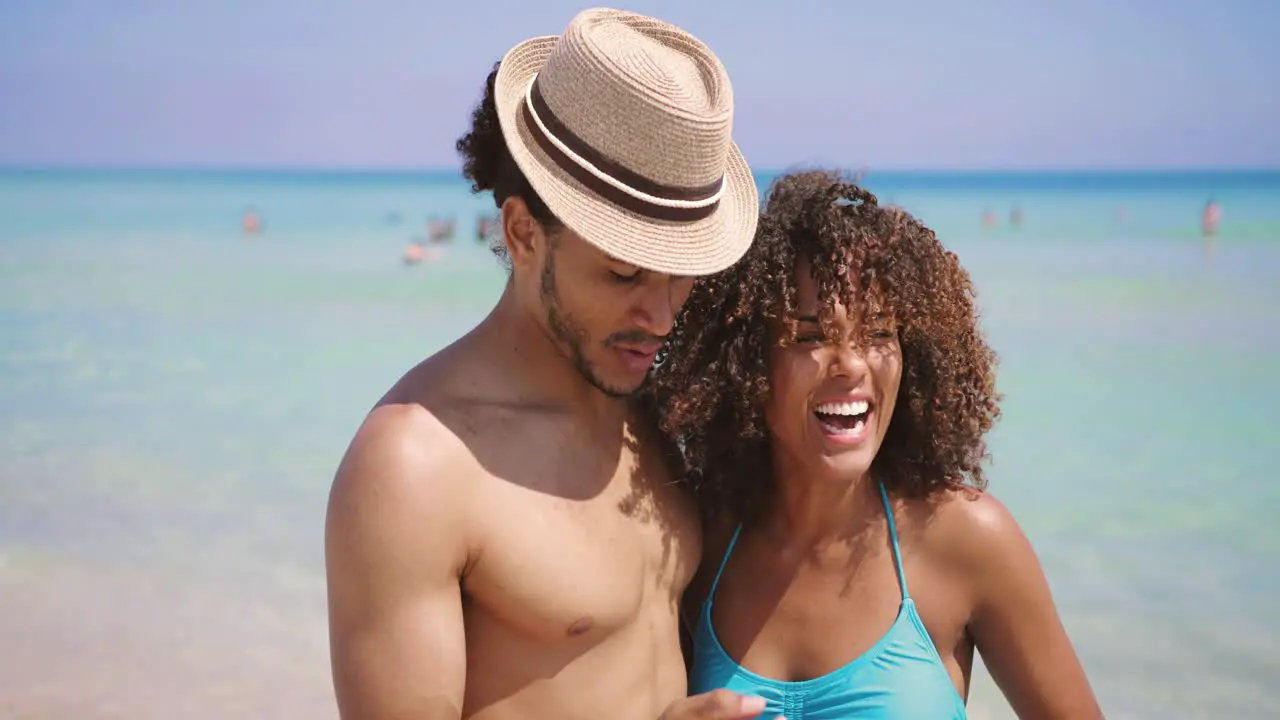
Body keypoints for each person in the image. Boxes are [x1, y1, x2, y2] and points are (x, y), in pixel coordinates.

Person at [324, 8, 767, 720]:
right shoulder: (417, 466)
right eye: (624, 275)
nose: (662, 317)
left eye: (682, 276)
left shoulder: (657, 408)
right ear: (523, 232)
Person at [650, 170, 1103, 719]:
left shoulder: (968, 541)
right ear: (747, 365)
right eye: (811, 336)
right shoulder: (704, 542)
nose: (852, 364)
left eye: (880, 332)